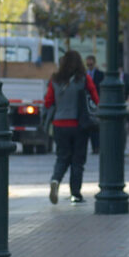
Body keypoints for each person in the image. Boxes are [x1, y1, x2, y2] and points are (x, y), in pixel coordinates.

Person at [44, 51, 99, 204]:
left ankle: (55, 180)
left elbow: (48, 102)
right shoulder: (84, 79)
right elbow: (95, 98)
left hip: (59, 125)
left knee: (62, 157)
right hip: (79, 125)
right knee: (78, 161)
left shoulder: (55, 80)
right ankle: (76, 194)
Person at [85, 55, 104, 154]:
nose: (89, 64)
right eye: (88, 62)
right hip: (87, 101)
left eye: (91, 62)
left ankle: (97, 146)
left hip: (96, 101)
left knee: (96, 123)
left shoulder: (100, 74)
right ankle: (94, 146)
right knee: (91, 124)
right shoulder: (84, 75)